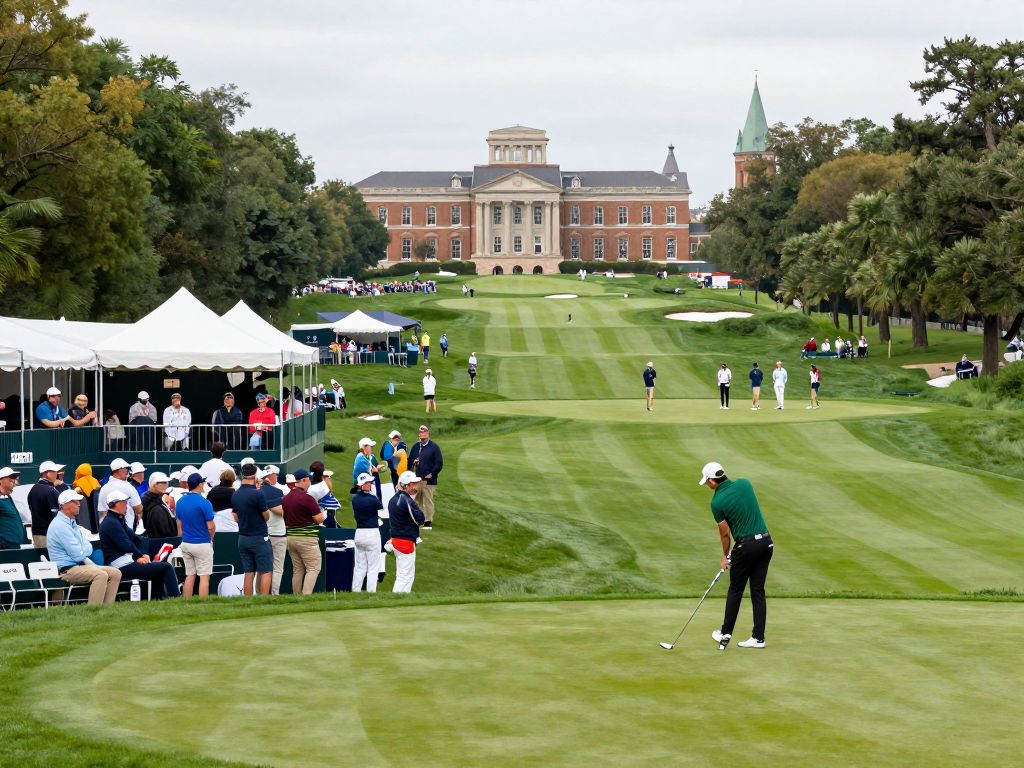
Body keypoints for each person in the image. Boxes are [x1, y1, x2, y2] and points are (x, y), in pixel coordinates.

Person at [699, 461, 773, 650]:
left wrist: (725, 556)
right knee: (758, 590)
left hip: (746, 546)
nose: (707, 486)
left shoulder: (716, 502)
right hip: (766, 542)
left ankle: (725, 633)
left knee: (735, 590)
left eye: (707, 482)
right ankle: (758, 638)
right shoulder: (744, 483)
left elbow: (725, 534)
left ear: (712, 481)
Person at [100, 490, 180, 599]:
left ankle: (158, 600)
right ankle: (176, 599)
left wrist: (144, 554)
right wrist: (139, 556)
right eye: (124, 503)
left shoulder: (117, 521)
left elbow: (140, 539)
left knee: (158, 569)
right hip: (119, 565)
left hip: (126, 562)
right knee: (166, 567)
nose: (127, 506)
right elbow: (125, 544)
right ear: (117, 504)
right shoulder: (111, 523)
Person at [47, 488, 122, 605]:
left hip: (78, 567)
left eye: (79, 501)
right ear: (65, 505)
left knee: (115, 573)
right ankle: (94, 610)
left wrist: (83, 550)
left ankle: (107, 610)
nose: (79, 504)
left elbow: (88, 547)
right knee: (100, 575)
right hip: (66, 570)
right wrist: (83, 550)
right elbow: (77, 555)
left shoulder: (71, 523)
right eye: (75, 501)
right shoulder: (60, 525)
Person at [231, 462, 272, 596]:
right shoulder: (257, 494)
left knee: (249, 572)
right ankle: (264, 600)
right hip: (258, 537)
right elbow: (266, 516)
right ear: (255, 475)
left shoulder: (236, 494)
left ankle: (248, 602)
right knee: (266, 570)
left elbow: (235, 516)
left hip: (242, 538)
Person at [283, 468, 325, 595]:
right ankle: (306, 597)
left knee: (298, 569)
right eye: (309, 480)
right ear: (304, 480)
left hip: (290, 538)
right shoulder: (308, 498)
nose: (310, 483)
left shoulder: (286, 498)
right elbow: (319, 519)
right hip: (306, 538)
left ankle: (297, 598)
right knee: (313, 568)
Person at [175, 473, 216, 598]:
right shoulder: (204, 502)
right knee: (204, 577)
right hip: (202, 543)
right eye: (202, 482)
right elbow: (211, 526)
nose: (204, 484)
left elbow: (179, 525)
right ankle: (203, 604)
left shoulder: (180, 501)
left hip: (186, 543)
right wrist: (210, 539)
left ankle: (187, 602)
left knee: (190, 574)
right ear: (199, 484)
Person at [388, 470, 425, 593]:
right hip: (405, 541)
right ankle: (396, 601)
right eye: (412, 484)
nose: (415, 487)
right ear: (406, 485)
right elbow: (420, 519)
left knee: (402, 575)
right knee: (406, 576)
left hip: (397, 540)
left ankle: (399, 600)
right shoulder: (406, 500)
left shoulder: (393, 499)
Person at [351, 472, 384, 593]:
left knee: (359, 566)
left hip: (359, 533)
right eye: (368, 483)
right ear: (362, 485)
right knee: (373, 566)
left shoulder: (355, 499)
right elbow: (380, 504)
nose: (370, 485)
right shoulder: (372, 499)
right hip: (372, 534)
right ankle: (371, 592)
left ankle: (356, 591)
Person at [260, 465, 288, 595]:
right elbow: (283, 512)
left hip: (262, 535)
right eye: (275, 475)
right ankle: (274, 594)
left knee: (262, 568)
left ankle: (259, 594)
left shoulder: (257, 492)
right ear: (270, 477)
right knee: (277, 568)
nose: (276, 477)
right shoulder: (277, 492)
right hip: (278, 534)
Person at [408, 424, 442, 529]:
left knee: (427, 500)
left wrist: (432, 473)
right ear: (419, 434)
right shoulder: (415, 447)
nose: (423, 434)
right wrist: (413, 464)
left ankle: (428, 521)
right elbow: (410, 461)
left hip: (429, 480)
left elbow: (439, 463)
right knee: (415, 500)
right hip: (417, 479)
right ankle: (418, 519)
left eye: (425, 432)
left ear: (428, 434)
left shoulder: (434, 447)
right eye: (421, 432)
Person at [97, 458, 143, 531]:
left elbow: (102, 513)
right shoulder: (128, 487)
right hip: (126, 531)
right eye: (127, 468)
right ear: (120, 470)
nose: (128, 471)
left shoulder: (103, 489)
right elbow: (139, 509)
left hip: (108, 532)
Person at [28, 460, 63, 548]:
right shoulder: (51, 490)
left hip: (36, 534)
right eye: (54, 471)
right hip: (49, 535)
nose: (57, 473)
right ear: (46, 473)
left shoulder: (33, 489)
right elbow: (57, 514)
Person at [141, 472, 177, 538]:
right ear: (154, 485)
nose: (166, 484)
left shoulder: (155, 502)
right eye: (163, 482)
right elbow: (166, 532)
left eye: (166, 482)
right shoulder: (156, 509)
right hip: (161, 544)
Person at [0, 467, 28, 550]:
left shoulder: (8, 497)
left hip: (17, 546)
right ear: (0, 481)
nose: (14, 483)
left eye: (14, 479)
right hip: (5, 549)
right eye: (10, 479)